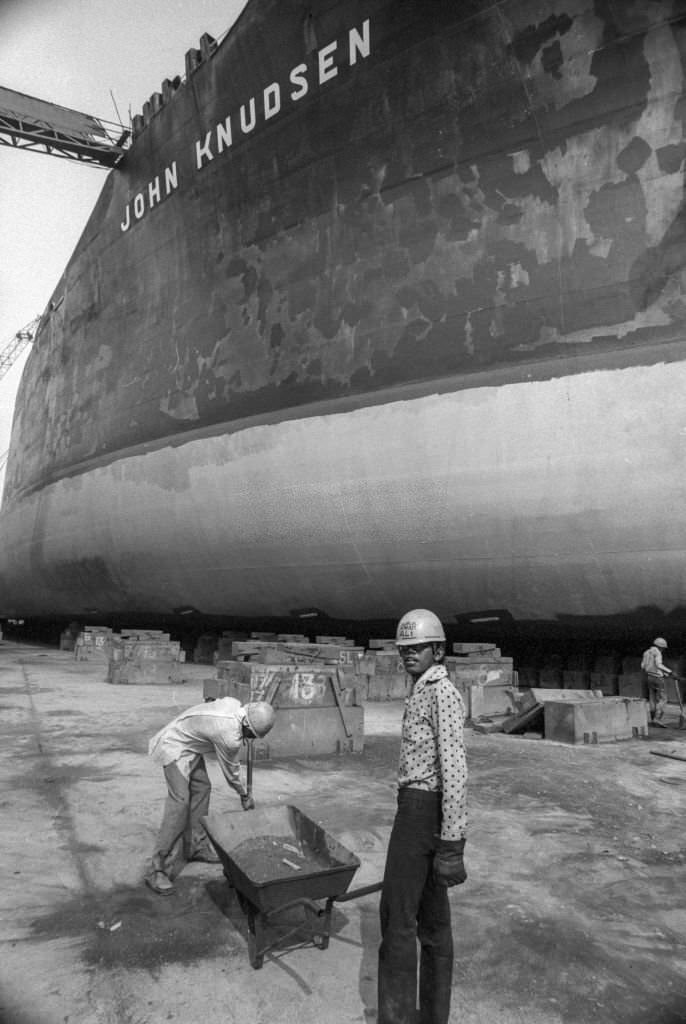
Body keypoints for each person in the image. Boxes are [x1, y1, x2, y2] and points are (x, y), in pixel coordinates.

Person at [377, 609, 468, 1024]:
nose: (409, 655)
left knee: (398, 915)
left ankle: (396, 1017)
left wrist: (452, 841)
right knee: (433, 919)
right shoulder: (421, 688)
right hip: (421, 810)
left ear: (437, 650)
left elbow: (455, 769)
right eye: (404, 649)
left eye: (417, 648)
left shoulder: (440, 692)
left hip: (420, 813)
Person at [145, 697, 276, 895]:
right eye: (252, 735)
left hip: (190, 745)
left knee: (202, 788)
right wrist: (244, 795)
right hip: (174, 744)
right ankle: (156, 868)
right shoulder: (229, 736)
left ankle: (195, 846)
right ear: (246, 724)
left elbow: (215, 703)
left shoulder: (234, 703)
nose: (252, 739)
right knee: (180, 802)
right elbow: (231, 772)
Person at [641, 637, 673, 724]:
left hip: (649, 677)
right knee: (663, 699)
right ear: (661, 647)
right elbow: (658, 665)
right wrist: (670, 672)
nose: (663, 650)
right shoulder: (658, 653)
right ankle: (657, 718)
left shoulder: (646, 652)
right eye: (663, 648)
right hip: (658, 678)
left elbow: (643, 666)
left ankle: (652, 718)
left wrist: (664, 673)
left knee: (652, 698)